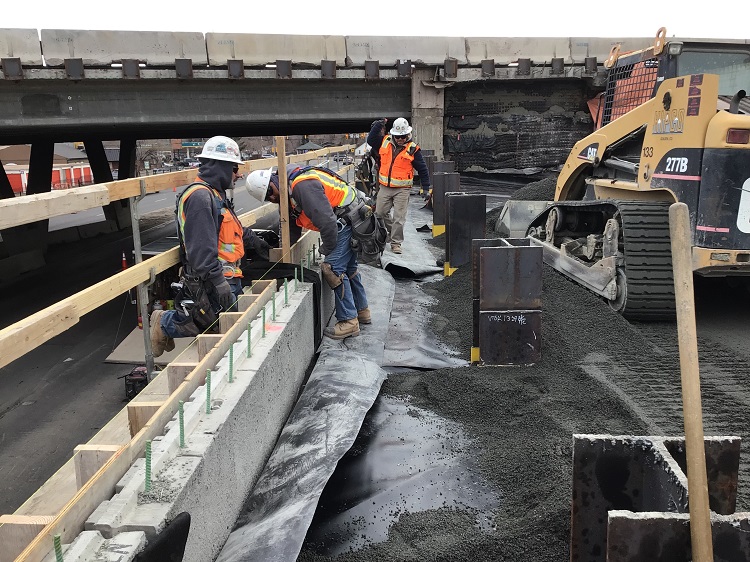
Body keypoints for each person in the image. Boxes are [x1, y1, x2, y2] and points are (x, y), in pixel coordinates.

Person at [150, 135, 271, 357]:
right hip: (212, 279)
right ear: (220, 167)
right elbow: (200, 250)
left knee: (221, 327)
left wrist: (256, 241)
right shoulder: (200, 198)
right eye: (235, 169)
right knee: (214, 326)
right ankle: (165, 323)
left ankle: (168, 324)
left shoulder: (215, 195)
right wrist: (218, 282)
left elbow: (231, 228)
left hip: (227, 276)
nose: (238, 174)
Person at [245, 164, 371, 340]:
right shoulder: (287, 190)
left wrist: (326, 249)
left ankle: (349, 321)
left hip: (346, 220)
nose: (272, 198)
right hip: (350, 216)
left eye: (270, 192)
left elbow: (327, 224)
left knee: (332, 269)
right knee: (349, 268)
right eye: (268, 198)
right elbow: (292, 225)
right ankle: (362, 310)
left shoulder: (302, 185)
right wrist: (281, 255)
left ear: (273, 180)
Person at [366, 117, 431, 255]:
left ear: (407, 135)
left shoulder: (413, 149)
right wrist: (378, 125)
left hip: (402, 189)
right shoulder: (384, 142)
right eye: (397, 136)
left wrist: (426, 188)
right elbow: (370, 140)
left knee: (399, 218)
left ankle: (396, 243)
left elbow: (423, 170)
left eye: (403, 136)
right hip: (385, 187)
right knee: (380, 213)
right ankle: (391, 232)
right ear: (393, 134)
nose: (400, 139)